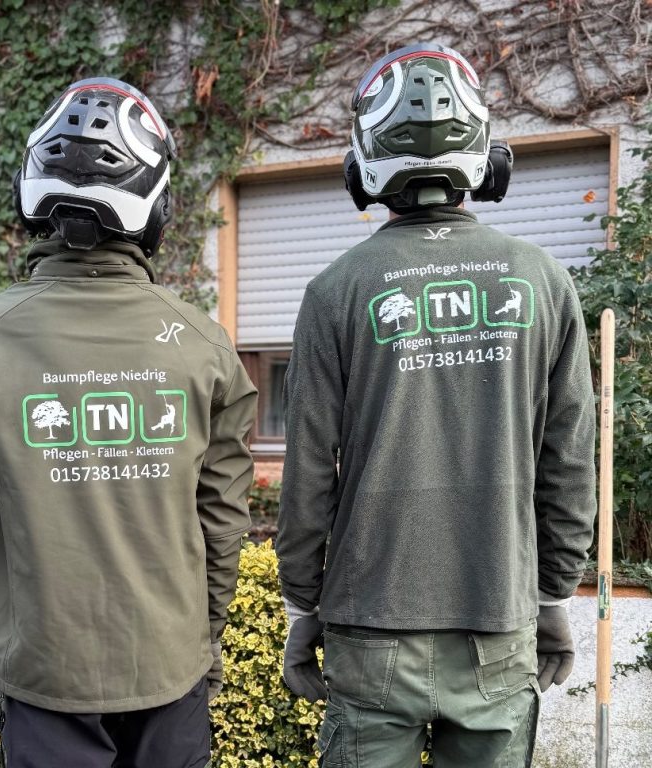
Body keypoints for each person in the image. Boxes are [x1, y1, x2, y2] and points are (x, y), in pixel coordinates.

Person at [0, 77, 257, 768]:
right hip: (170, 666)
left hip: (42, 669)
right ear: (155, 204)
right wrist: (204, 636)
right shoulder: (203, 342)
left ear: (32, 191)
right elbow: (223, 519)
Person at [276, 43, 596, 768]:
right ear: (484, 156)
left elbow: (308, 473)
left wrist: (301, 603)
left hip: (369, 627)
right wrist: (553, 595)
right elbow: (571, 461)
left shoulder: (335, 291)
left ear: (364, 165)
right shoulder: (543, 281)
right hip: (499, 619)